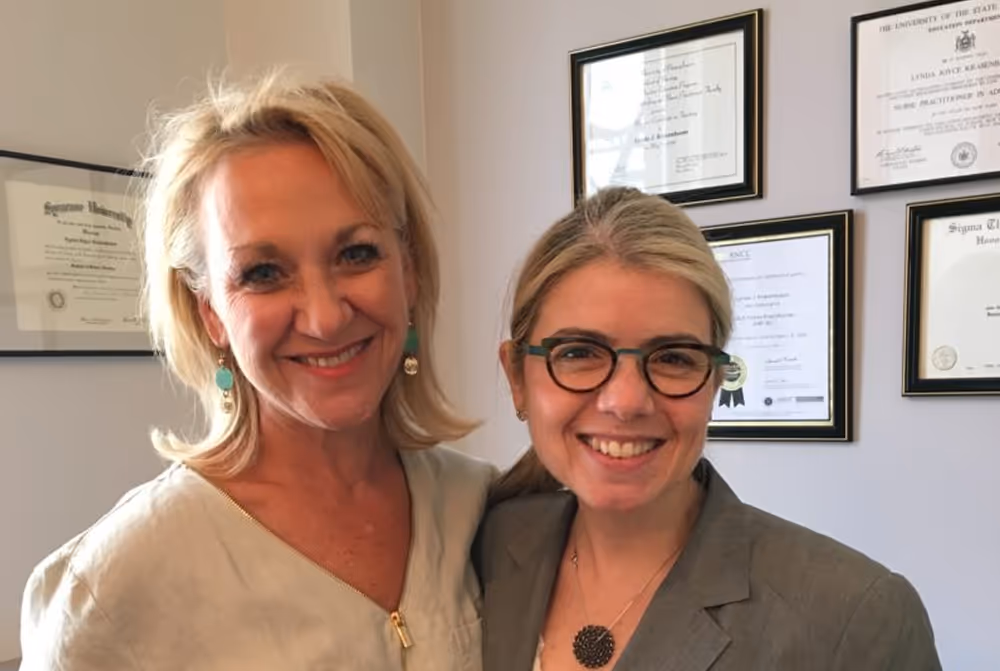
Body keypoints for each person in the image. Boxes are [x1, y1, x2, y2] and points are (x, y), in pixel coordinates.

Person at [19, 71, 494, 670]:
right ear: (210, 312)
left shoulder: (481, 510)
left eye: (356, 254)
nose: (324, 318)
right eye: (263, 273)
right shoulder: (116, 584)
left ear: (410, 271)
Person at [475, 186, 941, 671]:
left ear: (716, 382)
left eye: (674, 357)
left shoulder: (855, 620)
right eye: (578, 353)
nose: (626, 401)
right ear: (517, 378)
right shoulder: (488, 546)